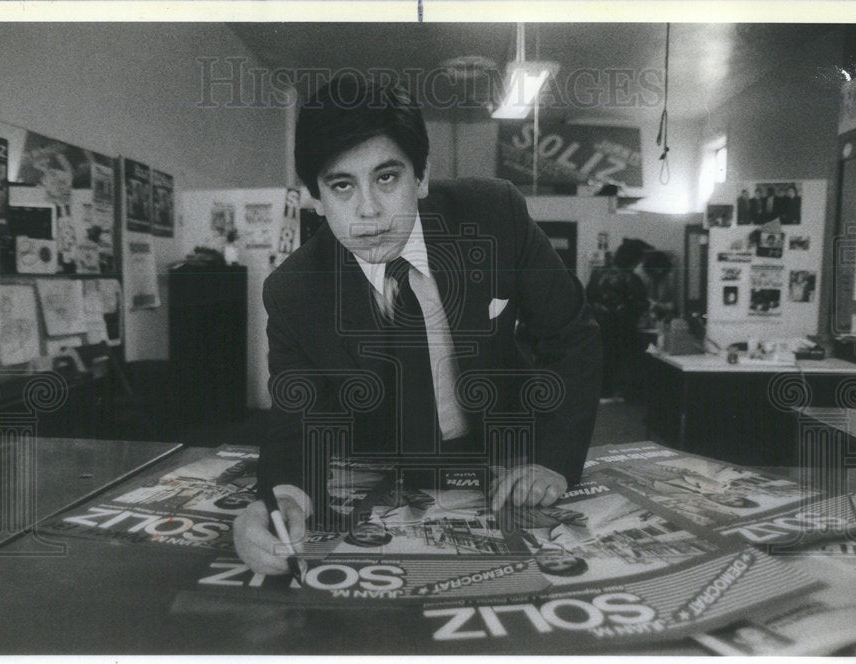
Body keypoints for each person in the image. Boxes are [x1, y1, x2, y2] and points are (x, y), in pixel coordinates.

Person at [234, 75, 602, 576]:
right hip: (383, 468)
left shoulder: (496, 215)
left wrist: (553, 457)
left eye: (387, 178)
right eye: (342, 185)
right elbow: (298, 417)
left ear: (421, 177)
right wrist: (284, 499)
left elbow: (571, 334)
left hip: (511, 459)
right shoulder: (293, 290)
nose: (368, 210)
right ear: (314, 198)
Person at [585, 238, 650, 402]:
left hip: (597, 325)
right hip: (622, 327)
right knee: (625, 359)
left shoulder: (598, 273)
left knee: (603, 359)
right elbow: (640, 303)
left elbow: (587, 298)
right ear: (634, 260)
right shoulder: (630, 278)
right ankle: (624, 393)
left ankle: (603, 393)